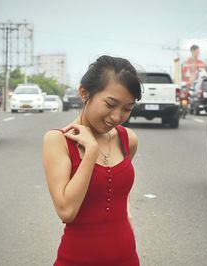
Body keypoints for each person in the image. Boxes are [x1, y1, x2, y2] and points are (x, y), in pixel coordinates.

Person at [42, 55, 142, 266]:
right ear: (84, 93)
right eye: (110, 104)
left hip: (127, 258)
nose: (116, 117)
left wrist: (128, 212)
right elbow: (66, 211)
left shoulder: (128, 139)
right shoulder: (58, 141)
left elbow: (119, 189)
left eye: (127, 108)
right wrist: (91, 152)